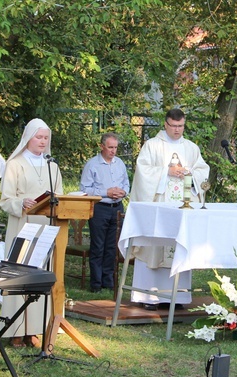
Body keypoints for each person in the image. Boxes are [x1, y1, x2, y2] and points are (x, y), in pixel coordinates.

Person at [128, 109, 210, 310]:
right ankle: (149, 297)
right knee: (155, 248)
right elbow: (143, 171)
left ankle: (177, 297)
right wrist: (166, 172)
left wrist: (189, 174)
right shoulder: (153, 146)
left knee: (177, 245)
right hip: (160, 206)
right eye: (173, 126)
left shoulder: (191, 148)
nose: (177, 130)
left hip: (182, 205)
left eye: (180, 126)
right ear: (165, 125)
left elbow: (203, 171)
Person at [0, 118, 62, 347]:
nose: (43, 142)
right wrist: (20, 202)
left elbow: (60, 198)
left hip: (45, 229)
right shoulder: (14, 164)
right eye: (39, 137)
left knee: (39, 277)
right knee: (19, 277)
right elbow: (5, 200)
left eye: (46, 138)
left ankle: (34, 330)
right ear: (28, 137)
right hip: (23, 227)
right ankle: (15, 329)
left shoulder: (52, 166)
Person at [79, 133, 130, 292]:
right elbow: (85, 189)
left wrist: (123, 192)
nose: (113, 151)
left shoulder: (120, 163)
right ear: (102, 146)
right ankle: (95, 283)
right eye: (110, 147)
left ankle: (108, 281)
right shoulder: (92, 165)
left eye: (115, 147)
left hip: (117, 208)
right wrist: (105, 192)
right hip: (100, 208)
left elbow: (126, 184)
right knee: (98, 246)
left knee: (112, 247)